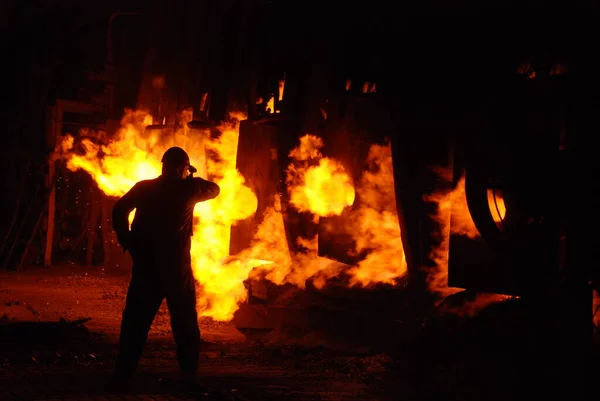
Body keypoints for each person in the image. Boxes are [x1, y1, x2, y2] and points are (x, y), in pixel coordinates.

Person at [111, 146, 220, 385]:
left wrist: (125, 237)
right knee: (184, 320)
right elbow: (215, 189)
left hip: (146, 265)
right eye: (185, 168)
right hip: (175, 268)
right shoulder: (189, 189)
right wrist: (191, 176)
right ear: (182, 168)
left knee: (136, 320)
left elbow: (120, 209)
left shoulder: (144, 188)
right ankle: (188, 370)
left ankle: (125, 370)